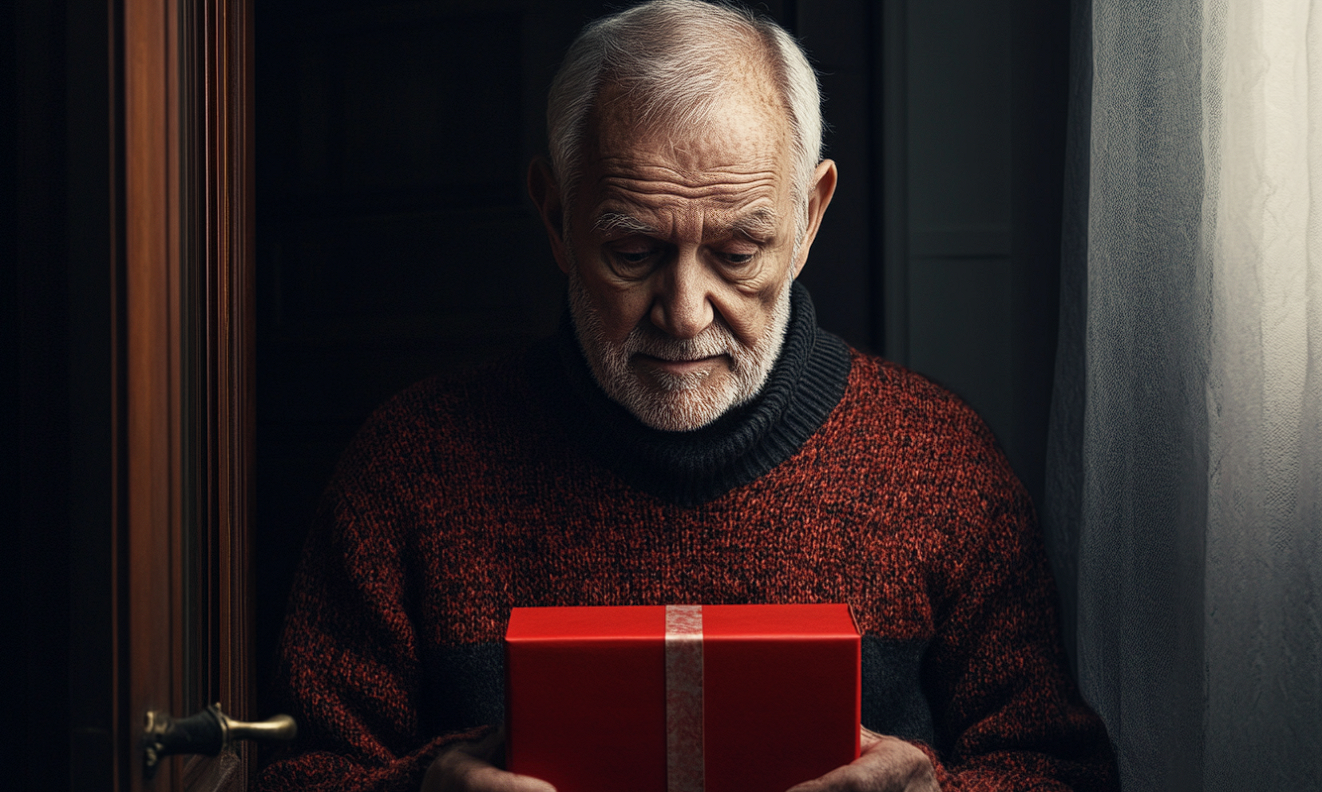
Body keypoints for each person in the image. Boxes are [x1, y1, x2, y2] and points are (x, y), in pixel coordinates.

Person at [254, 1, 1118, 790]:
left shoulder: (938, 462)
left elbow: (1063, 771)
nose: (684, 311)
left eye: (738, 253)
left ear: (810, 216)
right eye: (632, 251)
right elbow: (296, 772)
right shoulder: (411, 468)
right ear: (555, 216)